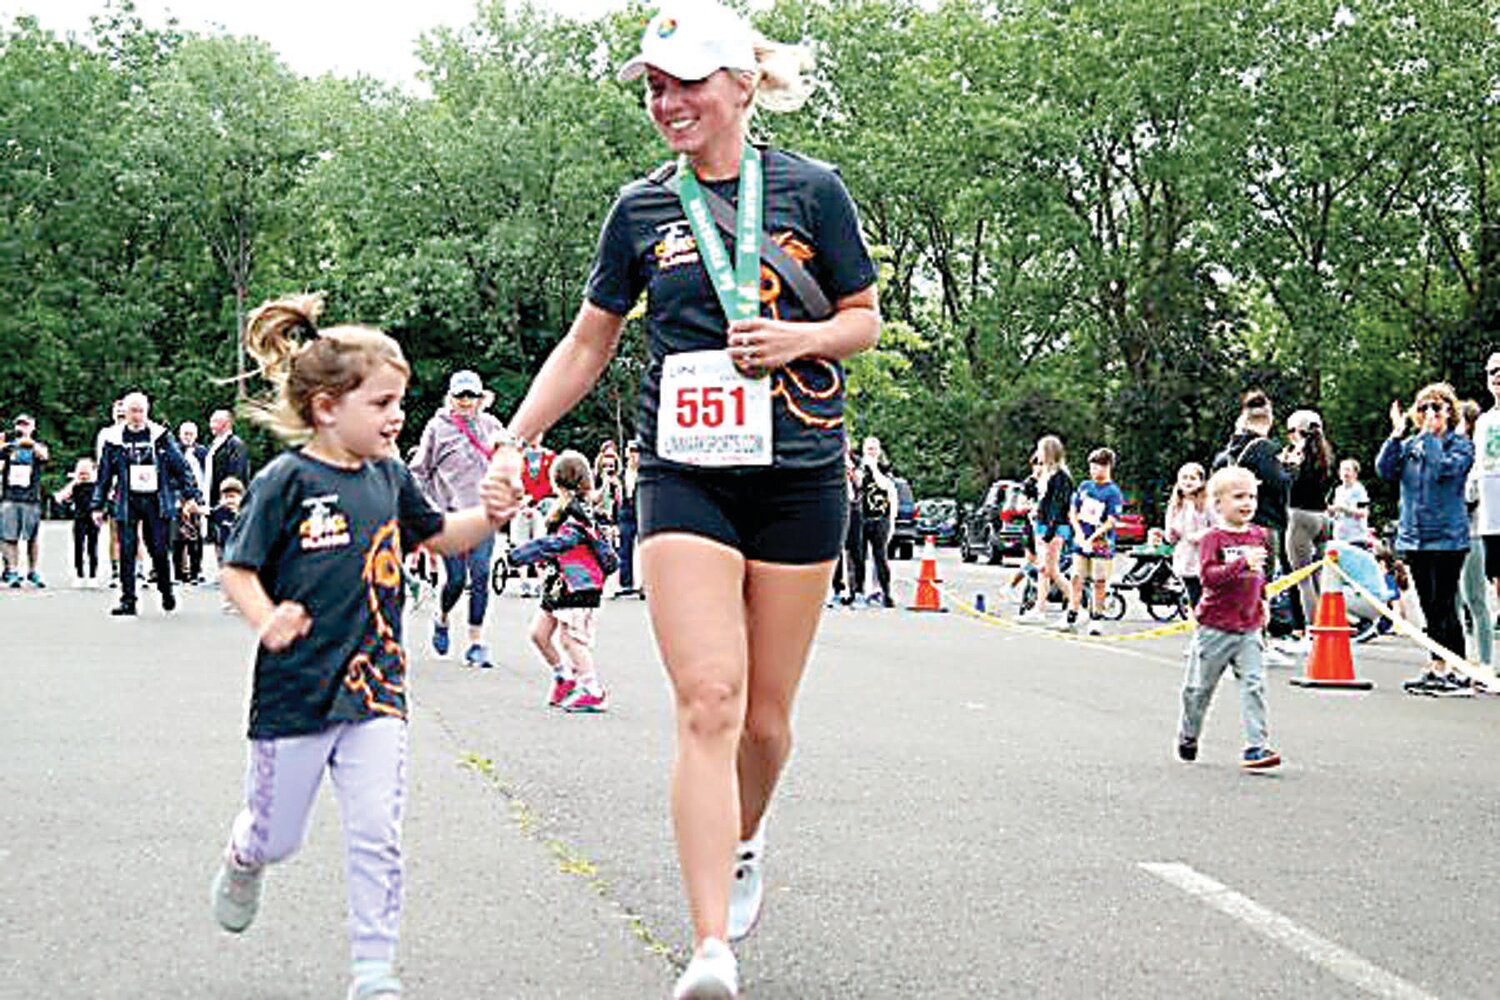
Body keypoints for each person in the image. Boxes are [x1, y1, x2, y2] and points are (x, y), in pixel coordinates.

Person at [489, 5, 880, 995]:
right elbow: (589, 341)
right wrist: (513, 436)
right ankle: (710, 948)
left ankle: (745, 839)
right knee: (708, 699)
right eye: (655, 85)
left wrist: (796, 340)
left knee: (765, 723)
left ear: (742, 84)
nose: (668, 101)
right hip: (685, 476)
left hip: (798, 473)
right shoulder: (640, 211)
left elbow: (863, 319)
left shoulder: (813, 191)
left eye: (687, 81)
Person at [210, 293, 517, 1000]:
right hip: (294, 695)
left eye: (399, 402)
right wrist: (265, 619)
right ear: (326, 408)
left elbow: (438, 534)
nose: (396, 417)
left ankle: (373, 973)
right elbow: (237, 568)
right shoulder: (286, 481)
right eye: (381, 403)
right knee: (276, 838)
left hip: (377, 689)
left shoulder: (390, 476)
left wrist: (489, 516)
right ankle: (243, 855)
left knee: (377, 832)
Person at [1176, 466, 1282, 770]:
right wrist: (1240, 564)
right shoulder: (1213, 538)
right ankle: (1189, 734)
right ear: (1218, 504)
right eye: (1238, 497)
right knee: (1198, 690)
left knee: (1254, 684)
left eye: (1252, 496)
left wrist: (1264, 602)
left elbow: (1260, 576)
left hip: (1249, 627)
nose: (1247, 503)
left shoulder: (1258, 535)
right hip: (1215, 627)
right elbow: (1208, 577)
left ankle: (1256, 747)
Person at [1376, 382, 1475, 695]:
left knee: (1444, 603)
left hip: (1447, 538)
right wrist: (1396, 434)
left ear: (1449, 412)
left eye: (1437, 407)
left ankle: (1459, 669)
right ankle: (1437, 666)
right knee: (1429, 607)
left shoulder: (1459, 445)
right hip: (1415, 538)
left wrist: (1432, 438)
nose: (1429, 413)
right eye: (1423, 408)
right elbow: (1384, 470)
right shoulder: (1409, 445)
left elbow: (1442, 471)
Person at [409, 369, 506, 669]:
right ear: (450, 397)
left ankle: (476, 643)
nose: (466, 401)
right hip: (448, 517)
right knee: (455, 580)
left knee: (480, 575)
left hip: (483, 515)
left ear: (480, 398)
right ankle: (442, 617)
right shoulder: (436, 428)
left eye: (472, 395)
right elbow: (418, 471)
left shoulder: (491, 426)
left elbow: (507, 459)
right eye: (461, 395)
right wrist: (423, 510)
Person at [512, 450, 619, 711]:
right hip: (560, 583)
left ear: (557, 481)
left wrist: (520, 554)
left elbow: (560, 543)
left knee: (572, 640)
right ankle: (564, 676)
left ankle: (593, 690)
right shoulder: (562, 508)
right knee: (539, 634)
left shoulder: (578, 513)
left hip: (580, 585)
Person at [92, 393, 202, 616]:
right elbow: (104, 475)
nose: (136, 416)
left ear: (147, 411)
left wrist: (191, 496)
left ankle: (166, 590)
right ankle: (128, 600)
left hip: (156, 500)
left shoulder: (160, 436)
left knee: (159, 550)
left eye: (140, 411)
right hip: (127, 500)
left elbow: (181, 468)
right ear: (125, 413)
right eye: (132, 411)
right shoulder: (114, 439)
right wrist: (98, 504)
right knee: (127, 550)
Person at [1281, 409, 1336, 647]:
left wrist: (1285, 467)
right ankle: (1326, 625)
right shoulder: (1324, 454)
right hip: (1322, 517)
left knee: (1302, 579)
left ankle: (1313, 633)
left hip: (1300, 516)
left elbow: (1290, 485)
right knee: (1320, 577)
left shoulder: (1300, 456)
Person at [1057, 447, 1124, 635]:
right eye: (1093, 466)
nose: (1096, 470)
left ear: (1109, 467)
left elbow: (1111, 521)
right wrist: (1079, 534)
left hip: (1102, 544)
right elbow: (1073, 512)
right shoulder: (1085, 487)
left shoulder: (1113, 492)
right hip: (1081, 542)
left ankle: (1097, 618)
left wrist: (1093, 537)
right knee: (1076, 578)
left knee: (1099, 581)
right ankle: (1072, 613)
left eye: (1100, 466)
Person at [1020, 435, 1074, 624]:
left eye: (1041, 450)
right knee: (1043, 570)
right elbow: (1035, 497)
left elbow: (1060, 506)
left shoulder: (1061, 477)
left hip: (1055, 527)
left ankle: (1078, 607)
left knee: (1051, 570)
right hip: (1041, 524)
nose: (1038, 454)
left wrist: (1049, 530)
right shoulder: (1045, 475)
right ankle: (1039, 609)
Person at [1457, 400, 1493, 668]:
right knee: (1453, 602)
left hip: (1471, 532)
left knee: (1476, 600)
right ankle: (1459, 661)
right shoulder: (1453, 451)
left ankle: (1486, 663)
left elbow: (1473, 495)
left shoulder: (1476, 455)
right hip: (1448, 535)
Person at [0, 414, 50, 587]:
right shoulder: (8, 448)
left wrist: (30, 443)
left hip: (31, 498)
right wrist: (8, 445)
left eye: (26, 425)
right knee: (8, 537)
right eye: (19, 425)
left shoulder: (39, 446)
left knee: (32, 537)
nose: (22, 428)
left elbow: (44, 456)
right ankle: (12, 571)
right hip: (10, 497)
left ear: (33, 427)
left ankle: (33, 571)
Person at [854, 435, 897, 608]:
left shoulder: (884, 468)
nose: (871, 451)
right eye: (868, 448)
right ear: (863, 450)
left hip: (881, 518)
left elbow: (884, 486)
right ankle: (858, 592)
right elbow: (856, 485)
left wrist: (874, 468)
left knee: (880, 556)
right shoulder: (859, 467)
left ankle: (886, 593)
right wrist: (862, 469)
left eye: (874, 448)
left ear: (879, 451)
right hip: (862, 518)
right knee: (859, 557)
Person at [205, 408, 251, 570]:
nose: (211, 425)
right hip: (214, 497)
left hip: (228, 499)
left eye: (215, 421)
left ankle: (233, 569)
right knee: (218, 535)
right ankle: (223, 570)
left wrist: (229, 498)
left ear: (226, 423)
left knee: (229, 533)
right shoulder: (215, 444)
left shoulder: (235, 444)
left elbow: (236, 475)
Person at [1473, 351, 1500, 625]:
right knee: (1495, 573)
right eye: (1492, 371)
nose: (1497, 376)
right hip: (1490, 514)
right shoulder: (1483, 422)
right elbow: (1477, 465)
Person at [514, 438, 557, 598]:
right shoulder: (518, 457)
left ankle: (541, 582)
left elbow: (549, 483)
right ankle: (524, 582)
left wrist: (532, 499)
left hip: (541, 504)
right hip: (521, 505)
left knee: (540, 541)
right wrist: (522, 501)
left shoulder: (550, 457)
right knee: (521, 541)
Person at [1164, 461, 1211, 608]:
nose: (1188, 481)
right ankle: (1200, 628)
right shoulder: (1175, 504)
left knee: (1207, 599)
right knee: (1194, 599)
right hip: (1186, 560)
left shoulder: (1208, 503)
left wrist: (1199, 536)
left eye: (1192, 478)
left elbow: (1219, 528)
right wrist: (1171, 534)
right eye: (1184, 477)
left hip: (1206, 560)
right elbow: (1170, 537)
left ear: (1201, 481)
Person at [54, 457, 102, 588]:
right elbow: (59, 497)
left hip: (93, 519)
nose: (84, 475)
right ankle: (79, 575)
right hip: (79, 518)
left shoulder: (97, 485)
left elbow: (106, 498)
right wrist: (74, 482)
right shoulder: (75, 485)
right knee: (78, 547)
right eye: (81, 471)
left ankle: (93, 576)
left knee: (93, 547)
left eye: (86, 471)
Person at [172, 421, 210, 585]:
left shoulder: (203, 452)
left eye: (191, 434)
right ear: (180, 435)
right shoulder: (173, 451)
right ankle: (179, 573)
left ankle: (196, 571)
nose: (187, 437)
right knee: (177, 537)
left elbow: (207, 475)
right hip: (178, 498)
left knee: (195, 537)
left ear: (196, 435)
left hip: (198, 497)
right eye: (185, 433)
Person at [828, 438, 863, 606]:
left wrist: (852, 472)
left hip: (854, 508)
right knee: (836, 550)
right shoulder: (831, 460)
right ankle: (837, 589)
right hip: (837, 506)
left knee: (855, 550)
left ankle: (858, 591)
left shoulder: (857, 462)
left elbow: (861, 484)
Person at [614, 438, 645, 598]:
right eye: (631, 452)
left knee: (643, 549)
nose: (634, 456)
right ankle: (625, 583)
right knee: (624, 548)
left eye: (636, 452)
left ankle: (644, 584)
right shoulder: (621, 473)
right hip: (625, 512)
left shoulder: (645, 473)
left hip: (642, 510)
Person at [1328, 459, 1370, 545]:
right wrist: (1331, 511)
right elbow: (1335, 513)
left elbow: (1364, 512)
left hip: (1356, 538)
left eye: (1348, 470)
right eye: (1342, 469)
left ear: (1355, 474)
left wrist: (1345, 509)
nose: (1344, 473)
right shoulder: (1338, 490)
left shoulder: (1359, 490)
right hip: (1339, 538)